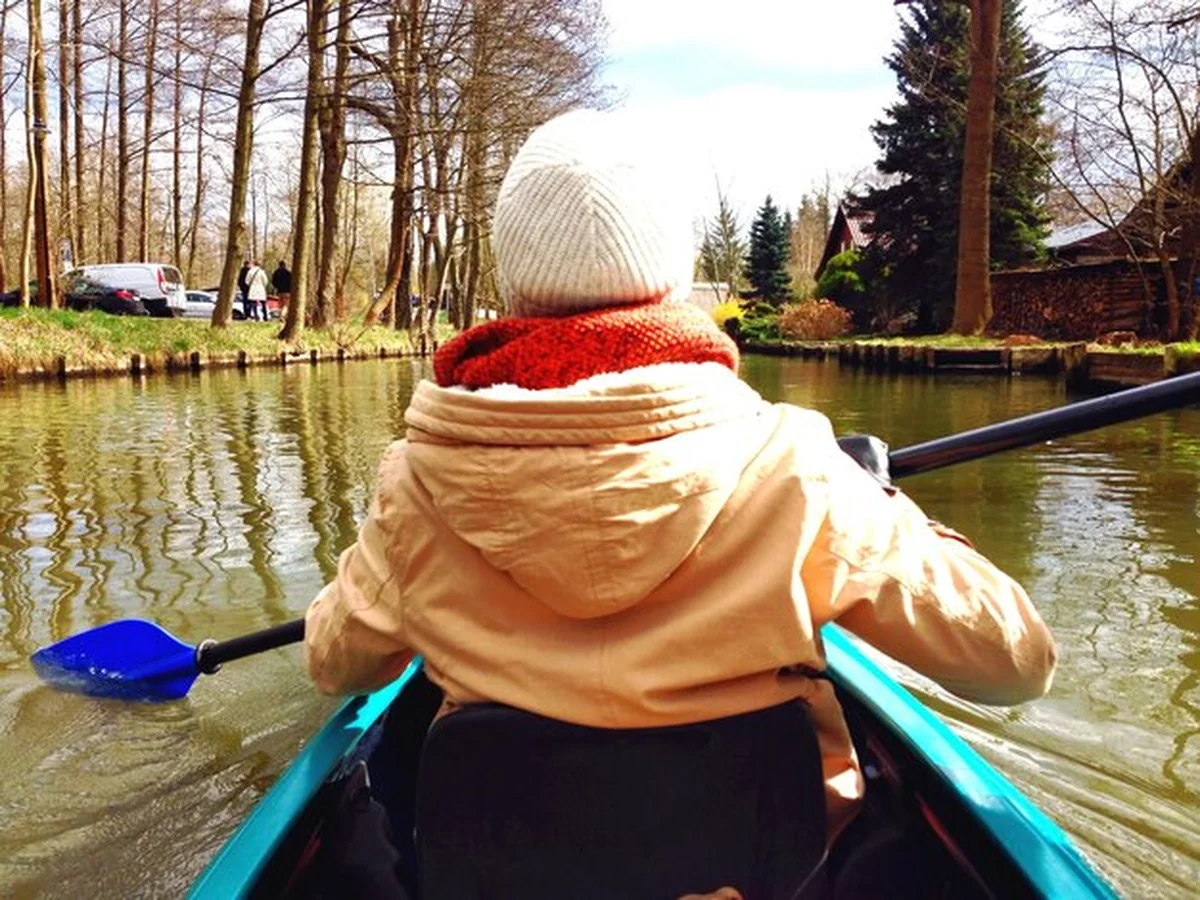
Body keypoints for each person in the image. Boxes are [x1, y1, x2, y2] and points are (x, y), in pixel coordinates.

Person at [304, 110, 1056, 891]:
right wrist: (878, 500)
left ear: (513, 283)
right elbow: (1016, 666)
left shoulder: (416, 481)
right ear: (673, 276)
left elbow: (335, 664)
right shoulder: (796, 465)